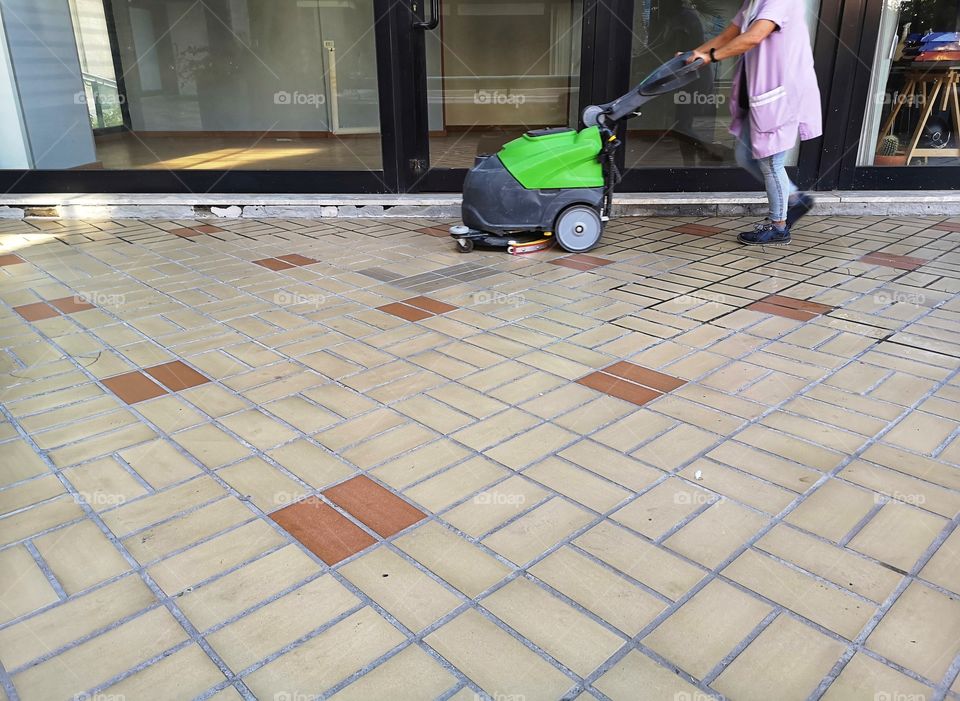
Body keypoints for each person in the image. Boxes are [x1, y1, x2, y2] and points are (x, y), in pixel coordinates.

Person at [684, 0, 822, 245]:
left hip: (780, 95)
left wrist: (709, 58)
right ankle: (794, 198)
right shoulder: (753, 3)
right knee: (745, 156)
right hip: (757, 95)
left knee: (770, 161)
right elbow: (730, 34)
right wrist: (694, 54)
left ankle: (779, 227)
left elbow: (754, 37)